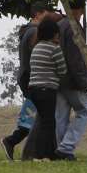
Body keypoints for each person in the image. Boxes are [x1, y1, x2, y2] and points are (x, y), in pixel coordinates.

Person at [2, 1, 47, 161]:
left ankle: (17, 143)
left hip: (26, 77)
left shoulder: (27, 31)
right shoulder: (34, 32)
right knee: (37, 116)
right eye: (45, 14)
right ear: (38, 14)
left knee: (33, 114)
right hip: (33, 79)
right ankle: (13, 141)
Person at [55, 0, 87, 161]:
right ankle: (66, 147)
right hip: (73, 79)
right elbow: (76, 58)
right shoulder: (74, 27)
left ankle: (61, 148)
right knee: (84, 113)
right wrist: (83, 81)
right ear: (81, 9)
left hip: (59, 78)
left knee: (61, 116)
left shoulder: (60, 25)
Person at [27, 14, 67, 160]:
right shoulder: (54, 49)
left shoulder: (37, 47)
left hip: (34, 89)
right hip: (47, 89)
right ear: (54, 33)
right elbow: (63, 70)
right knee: (49, 123)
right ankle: (44, 154)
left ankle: (44, 153)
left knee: (44, 121)